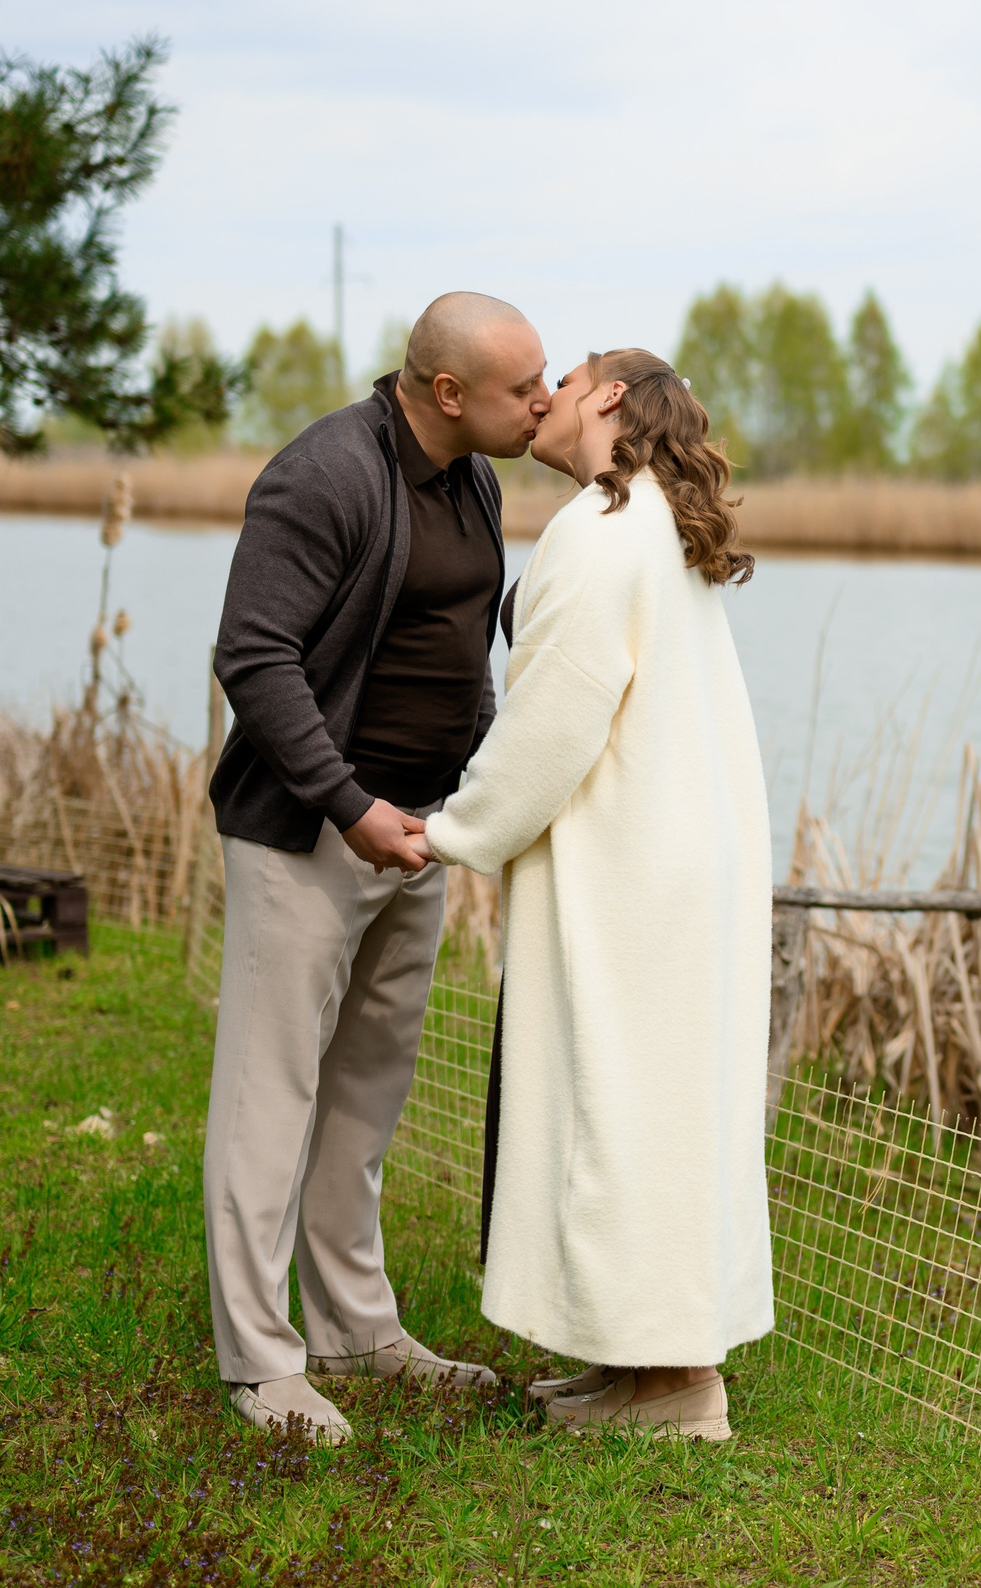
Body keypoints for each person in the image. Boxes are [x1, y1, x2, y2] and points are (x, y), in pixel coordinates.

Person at [202, 292, 548, 1443]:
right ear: (447, 392)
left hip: (422, 832)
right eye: (520, 388)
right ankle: (261, 1364)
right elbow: (253, 654)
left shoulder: (477, 480)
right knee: (270, 1098)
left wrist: (471, 789)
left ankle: (355, 1332)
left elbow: (460, 652)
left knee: (365, 1097)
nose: (541, 403)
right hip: (312, 834)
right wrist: (349, 807)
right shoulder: (326, 476)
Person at [413, 347, 772, 1442]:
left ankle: (674, 1391)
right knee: (656, 1114)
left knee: (620, 1110)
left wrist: (448, 831)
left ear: (610, 395)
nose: (545, 397)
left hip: (630, 869)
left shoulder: (600, 530)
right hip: (681, 860)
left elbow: (554, 720)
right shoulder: (655, 523)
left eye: (564, 378)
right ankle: (637, 1371)